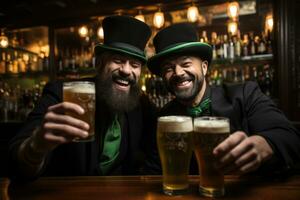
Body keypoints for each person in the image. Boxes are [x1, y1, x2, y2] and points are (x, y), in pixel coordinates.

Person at [8, 15, 160, 180]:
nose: (126, 70)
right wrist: (35, 146)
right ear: (99, 63)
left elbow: (160, 143)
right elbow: (16, 161)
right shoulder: (61, 93)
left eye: (135, 65)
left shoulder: (140, 106)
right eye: (118, 60)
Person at [147, 23, 300, 175]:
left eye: (186, 63)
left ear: (204, 67)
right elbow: (153, 171)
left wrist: (264, 144)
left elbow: (290, 137)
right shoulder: (163, 117)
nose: (178, 72)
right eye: (168, 68)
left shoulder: (244, 95)